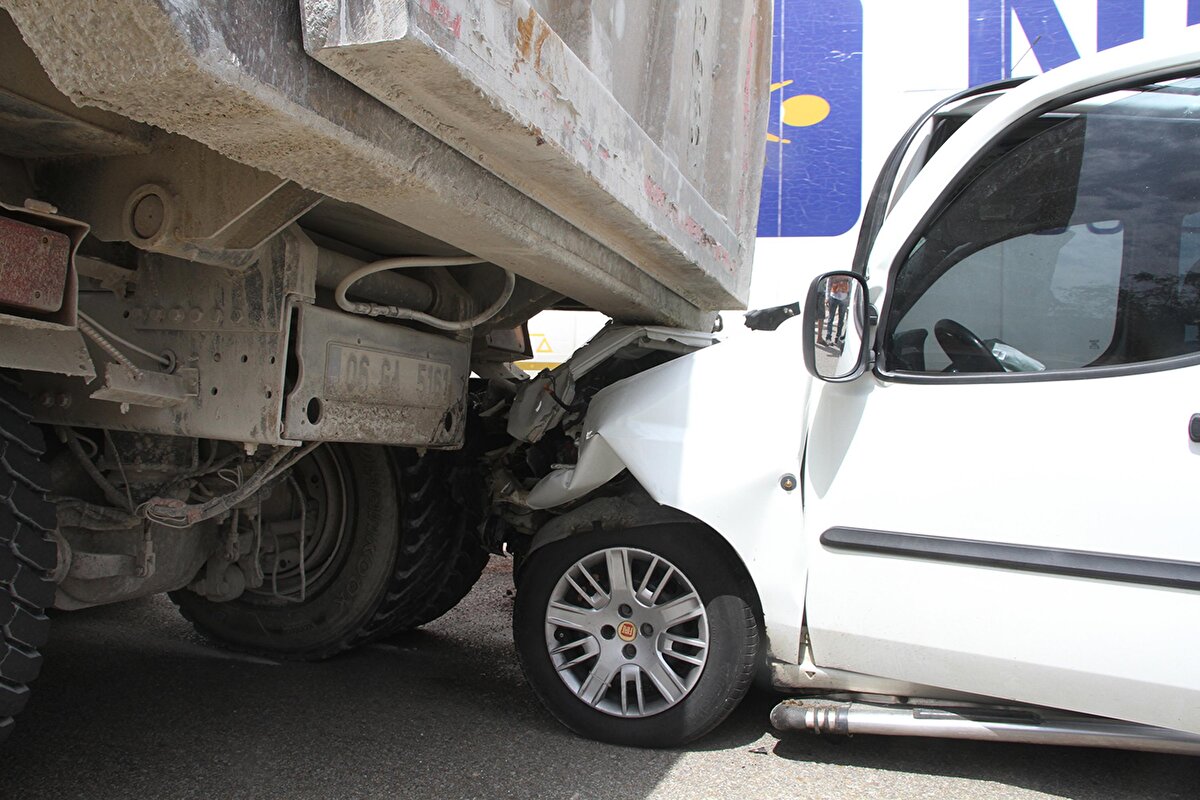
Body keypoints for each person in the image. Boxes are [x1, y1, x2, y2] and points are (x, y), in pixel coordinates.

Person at [825, 276, 850, 342]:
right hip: (833, 296)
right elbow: (828, 283)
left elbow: (851, 283)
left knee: (841, 319)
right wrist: (827, 297)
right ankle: (828, 336)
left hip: (844, 298)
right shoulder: (833, 274)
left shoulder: (847, 273)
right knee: (831, 318)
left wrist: (849, 298)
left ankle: (838, 336)